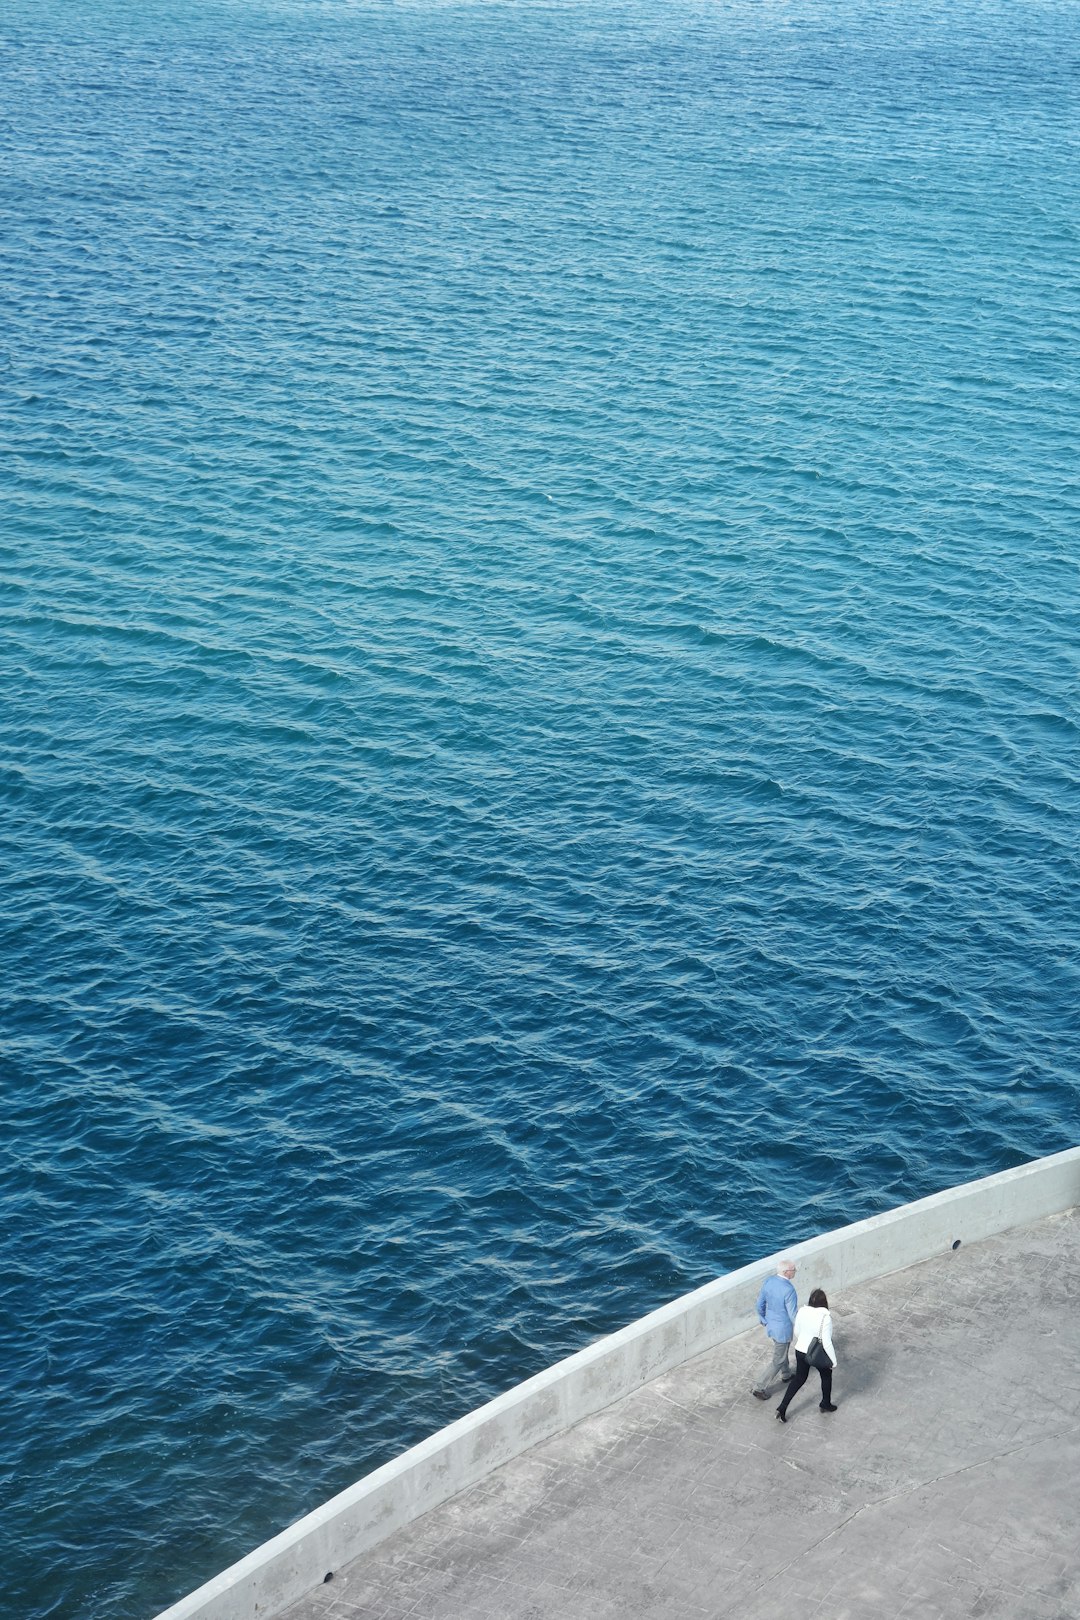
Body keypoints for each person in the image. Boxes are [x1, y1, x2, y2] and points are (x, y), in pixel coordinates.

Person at [775, 1287, 837, 1421]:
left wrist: (803, 1341)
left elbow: (797, 1331)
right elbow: (826, 1342)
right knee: (826, 1376)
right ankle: (825, 1403)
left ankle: (783, 1406)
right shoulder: (825, 1317)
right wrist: (833, 1361)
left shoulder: (802, 1311)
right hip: (817, 1352)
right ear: (824, 1302)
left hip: (801, 1350)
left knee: (799, 1378)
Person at [751, 1259, 797, 1399]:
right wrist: (803, 1329)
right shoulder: (789, 1290)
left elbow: (760, 1303)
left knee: (782, 1351)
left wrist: (764, 1319)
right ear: (786, 1272)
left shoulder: (769, 1281)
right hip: (783, 1329)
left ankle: (786, 1375)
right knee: (778, 1359)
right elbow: (793, 1314)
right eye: (793, 1270)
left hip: (771, 1326)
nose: (795, 1272)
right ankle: (759, 1387)